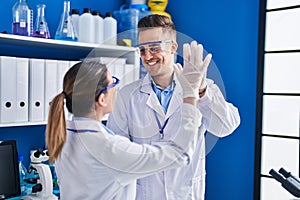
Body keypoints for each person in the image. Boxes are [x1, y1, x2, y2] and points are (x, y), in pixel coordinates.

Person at [107, 14, 241, 200]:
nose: (147, 56)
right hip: (145, 194)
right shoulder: (126, 96)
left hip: (186, 193)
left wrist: (200, 91)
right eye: (142, 50)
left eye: (154, 48)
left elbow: (226, 127)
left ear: (172, 47)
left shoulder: (204, 87)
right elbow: (117, 152)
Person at [46, 61, 203, 200]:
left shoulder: (63, 135)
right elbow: (179, 155)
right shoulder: (109, 149)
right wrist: (190, 98)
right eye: (113, 83)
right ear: (101, 99)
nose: (116, 88)